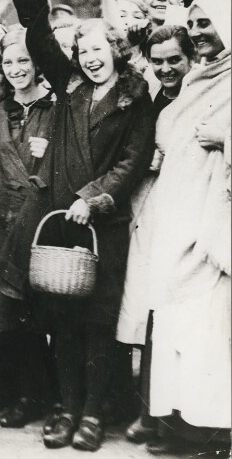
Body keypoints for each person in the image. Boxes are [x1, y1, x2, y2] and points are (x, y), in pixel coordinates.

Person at [1, 0, 154, 452]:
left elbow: (132, 162)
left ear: (115, 49)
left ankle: (91, 413)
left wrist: (95, 198)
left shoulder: (136, 98)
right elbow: (42, 42)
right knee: (62, 323)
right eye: (82, 50)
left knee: (98, 325)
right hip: (63, 220)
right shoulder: (69, 86)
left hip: (102, 224)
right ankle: (65, 408)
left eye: (97, 49)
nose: (89, 58)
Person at [147, 0, 231, 455]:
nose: (198, 33)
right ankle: (178, 426)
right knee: (176, 326)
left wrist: (225, 138)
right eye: (193, 24)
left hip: (213, 222)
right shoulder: (200, 78)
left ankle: (215, 433)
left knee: (208, 330)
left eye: (207, 24)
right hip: (178, 217)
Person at [114, 25, 194, 446]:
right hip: (151, 208)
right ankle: (149, 409)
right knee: (149, 312)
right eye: (157, 60)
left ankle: (179, 418)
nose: (165, 68)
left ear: (189, 58)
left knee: (181, 315)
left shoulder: (200, 92)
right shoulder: (150, 97)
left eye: (174, 60)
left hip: (190, 211)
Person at [0, 28, 57, 428]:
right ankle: (2, 387)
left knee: (29, 313)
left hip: (37, 218)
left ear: (37, 63)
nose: (17, 68)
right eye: (9, 62)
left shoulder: (56, 107)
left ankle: (31, 394)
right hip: (3, 217)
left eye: (24, 60)